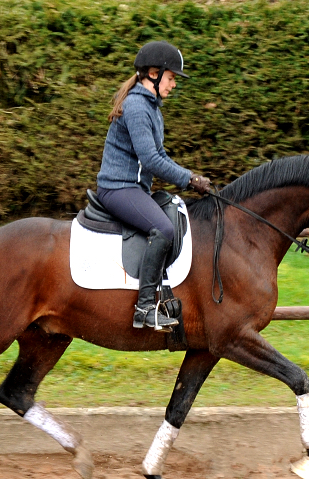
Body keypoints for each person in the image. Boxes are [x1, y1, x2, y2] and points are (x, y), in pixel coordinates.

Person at [96, 41, 211, 331]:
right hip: (119, 189)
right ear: (153, 73)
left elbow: (158, 156)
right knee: (165, 230)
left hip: (134, 189)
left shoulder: (151, 107)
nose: (173, 85)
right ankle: (145, 308)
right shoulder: (136, 105)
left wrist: (189, 177)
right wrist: (189, 178)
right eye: (171, 78)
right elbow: (150, 159)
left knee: (176, 211)